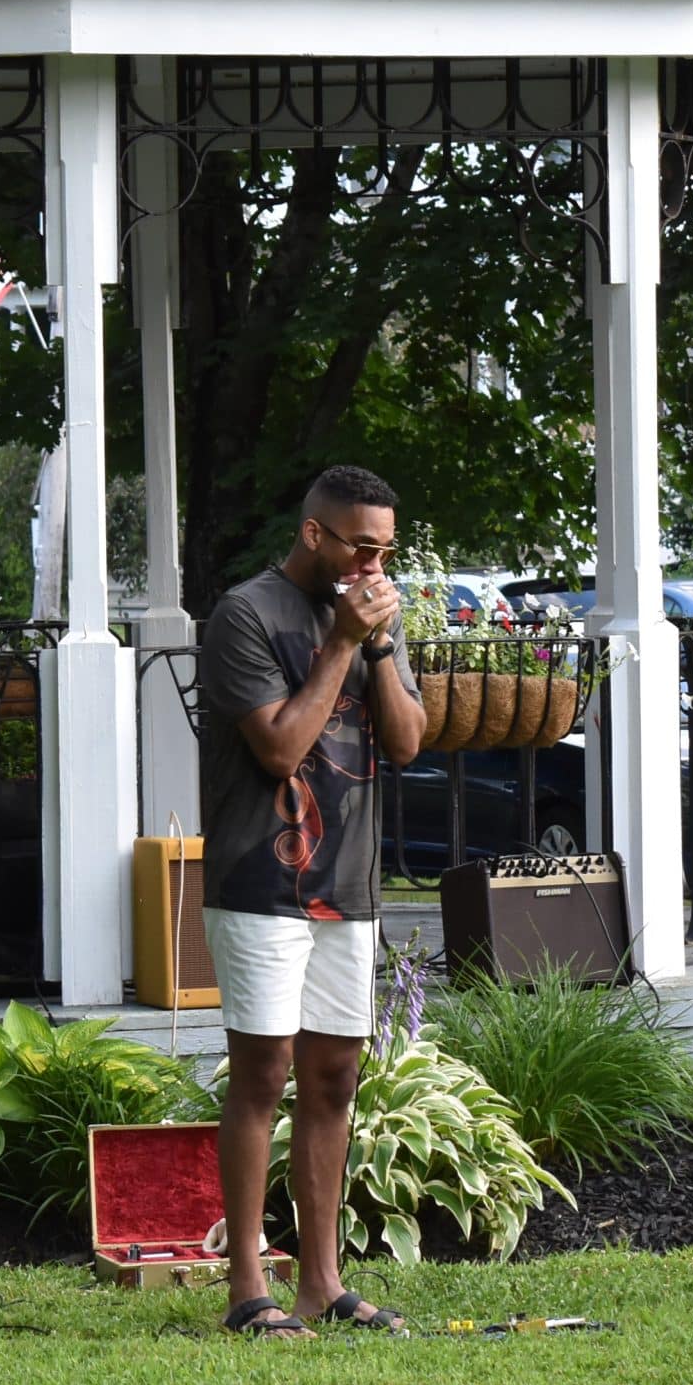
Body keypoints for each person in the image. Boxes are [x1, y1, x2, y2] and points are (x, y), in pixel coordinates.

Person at [199, 464, 425, 1339]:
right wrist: (339, 642)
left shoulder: (373, 617)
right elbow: (279, 751)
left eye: (386, 552)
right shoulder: (245, 616)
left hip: (347, 886)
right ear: (313, 535)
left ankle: (323, 1285)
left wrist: (375, 647)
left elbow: (405, 743)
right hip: (262, 882)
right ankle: (249, 1288)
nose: (374, 566)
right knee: (262, 1077)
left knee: (334, 1077)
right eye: (361, 547)